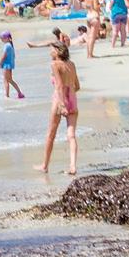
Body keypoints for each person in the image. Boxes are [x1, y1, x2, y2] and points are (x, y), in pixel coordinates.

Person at [42, 41, 81, 176]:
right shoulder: (72, 64)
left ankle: (45, 165)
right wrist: (69, 97)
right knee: (71, 135)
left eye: (52, 49)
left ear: (58, 51)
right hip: (73, 100)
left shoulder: (54, 64)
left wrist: (62, 104)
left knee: (51, 134)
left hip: (59, 100)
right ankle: (73, 166)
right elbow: (77, 86)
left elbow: (58, 86)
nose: (50, 52)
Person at [0, 31, 25, 99]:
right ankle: (20, 93)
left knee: (6, 80)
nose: (2, 40)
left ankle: (7, 95)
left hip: (6, 65)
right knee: (10, 80)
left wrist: (0, 63)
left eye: (2, 38)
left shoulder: (7, 45)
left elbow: (4, 56)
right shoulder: (10, 45)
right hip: (10, 65)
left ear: (7, 38)